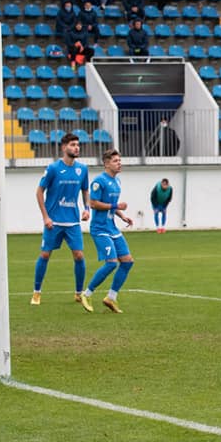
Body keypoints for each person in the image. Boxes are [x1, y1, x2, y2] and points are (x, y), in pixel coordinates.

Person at [31, 133, 90, 306]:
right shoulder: (53, 168)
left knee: (79, 255)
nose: (76, 147)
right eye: (72, 144)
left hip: (72, 222)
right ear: (64, 148)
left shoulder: (82, 169)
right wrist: (45, 217)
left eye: (78, 144)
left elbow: (85, 190)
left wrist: (87, 209)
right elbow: (39, 191)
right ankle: (36, 293)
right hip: (53, 222)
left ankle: (79, 293)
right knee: (45, 254)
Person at [80, 150, 134, 314]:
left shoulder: (116, 181)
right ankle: (86, 294)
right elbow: (94, 203)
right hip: (100, 229)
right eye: (116, 161)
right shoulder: (99, 182)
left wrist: (122, 216)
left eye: (119, 160)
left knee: (127, 261)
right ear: (106, 163)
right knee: (111, 262)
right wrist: (117, 207)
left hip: (112, 228)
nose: (119, 163)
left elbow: (112, 204)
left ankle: (111, 297)